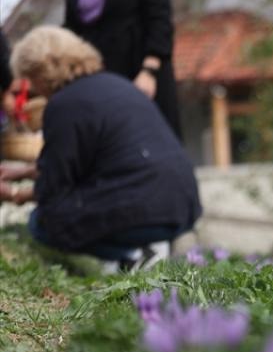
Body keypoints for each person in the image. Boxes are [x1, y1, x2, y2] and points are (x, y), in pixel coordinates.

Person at [0, 26, 201, 271]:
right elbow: (85, 162)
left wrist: (13, 194)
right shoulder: (117, 84)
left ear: (40, 73)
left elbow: (53, 186)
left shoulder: (64, 104)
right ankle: (150, 247)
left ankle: (134, 254)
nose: (33, 89)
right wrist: (20, 173)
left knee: (43, 221)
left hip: (145, 208)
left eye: (31, 80)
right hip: (183, 204)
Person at [63, 0, 182, 139]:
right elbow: (72, 26)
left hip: (140, 70)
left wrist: (149, 71)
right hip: (98, 73)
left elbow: (160, 19)